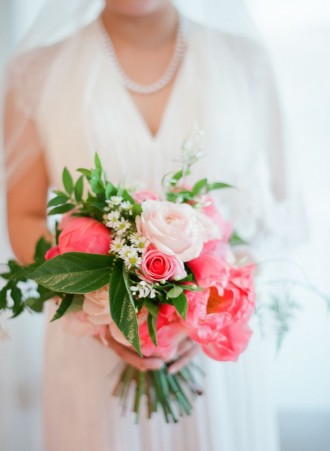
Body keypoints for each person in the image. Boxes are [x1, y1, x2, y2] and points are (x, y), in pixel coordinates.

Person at [4, 0, 285, 450]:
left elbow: (272, 211)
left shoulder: (244, 60)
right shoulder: (35, 71)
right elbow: (25, 214)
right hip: (90, 349)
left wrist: (202, 313)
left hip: (213, 347)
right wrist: (100, 308)